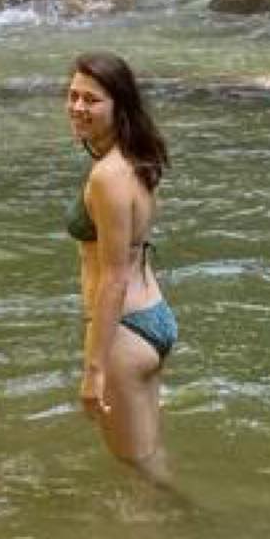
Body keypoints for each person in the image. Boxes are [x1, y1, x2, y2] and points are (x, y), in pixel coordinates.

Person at [65, 50, 176, 483]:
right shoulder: (136, 159)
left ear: (119, 105)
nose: (77, 107)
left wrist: (94, 370)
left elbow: (112, 277)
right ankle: (172, 533)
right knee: (149, 459)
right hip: (153, 316)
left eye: (91, 100)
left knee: (138, 473)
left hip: (124, 332)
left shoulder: (108, 177)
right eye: (73, 96)